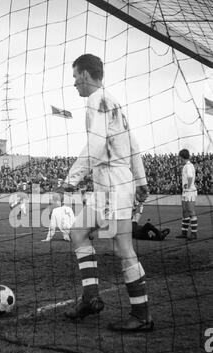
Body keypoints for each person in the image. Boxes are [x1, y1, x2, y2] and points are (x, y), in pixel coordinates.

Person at [58, 53, 153, 332]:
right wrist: (141, 179)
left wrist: (71, 179)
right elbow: (132, 141)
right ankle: (91, 299)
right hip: (111, 184)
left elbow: (97, 145)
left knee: (122, 248)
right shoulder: (114, 103)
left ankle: (141, 315)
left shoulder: (95, 100)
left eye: (75, 76)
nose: (74, 82)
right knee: (77, 232)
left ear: (86, 75)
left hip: (112, 184)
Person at [176, 148, 198, 240]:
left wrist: (188, 187)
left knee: (191, 212)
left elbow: (190, 177)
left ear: (182, 157)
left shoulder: (188, 166)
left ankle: (194, 234)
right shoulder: (186, 166)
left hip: (190, 192)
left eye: (179, 157)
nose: (179, 159)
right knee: (185, 212)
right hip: (186, 192)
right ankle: (184, 233)